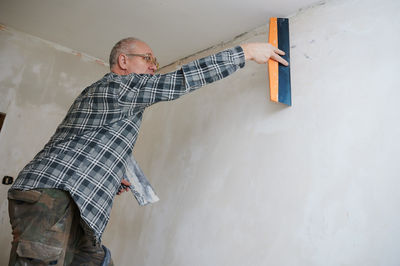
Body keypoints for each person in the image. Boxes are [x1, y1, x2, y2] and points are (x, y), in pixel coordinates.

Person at [7, 37, 288, 265]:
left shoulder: (119, 104)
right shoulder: (117, 86)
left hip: (74, 201)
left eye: (155, 61)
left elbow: (89, 144)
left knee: (96, 260)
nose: (155, 66)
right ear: (123, 61)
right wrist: (245, 52)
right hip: (54, 194)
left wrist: (111, 177)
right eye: (148, 59)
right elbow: (179, 80)